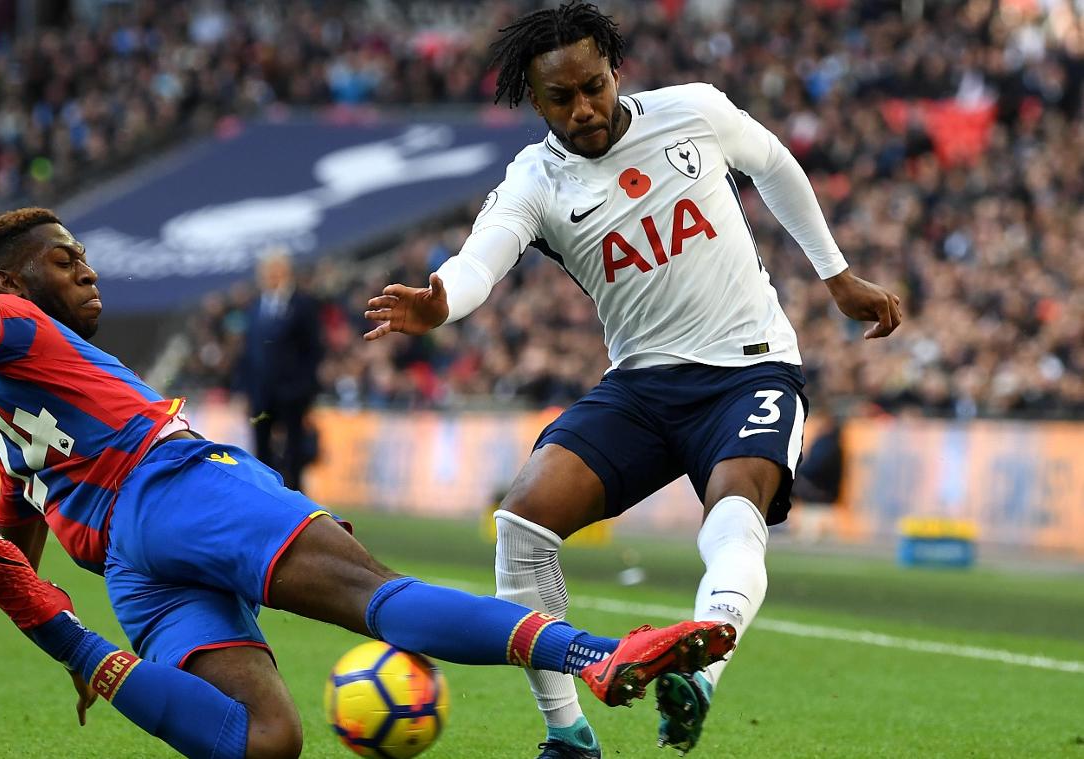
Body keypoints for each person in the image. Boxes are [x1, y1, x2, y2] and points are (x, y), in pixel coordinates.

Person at [0, 85, 737, 759]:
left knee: (262, 741)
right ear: (14, 287)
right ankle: (599, 653)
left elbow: (13, 547)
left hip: (130, 568)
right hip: (175, 486)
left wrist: (32, 594)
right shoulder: (16, 324)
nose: (88, 271)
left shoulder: (0, 402)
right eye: (67, 260)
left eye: (87, 255)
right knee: (379, 596)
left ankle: (68, 640)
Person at [363, 3, 903, 757]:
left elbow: (773, 162)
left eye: (594, 85)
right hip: (644, 386)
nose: (583, 108)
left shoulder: (695, 112)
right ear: (532, 97)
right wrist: (443, 301)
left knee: (735, 505)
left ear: (616, 70)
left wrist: (837, 275)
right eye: (561, 97)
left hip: (750, 369)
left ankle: (700, 674)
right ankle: (568, 735)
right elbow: (482, 258)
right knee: (522, 524)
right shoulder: (537, 180)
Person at [238, 248, 323, 491]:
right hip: (261, 394)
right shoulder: (255, 306)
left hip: (293, 394)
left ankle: (298, 508)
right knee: (261, 452)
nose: (270, 277)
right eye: (266, 272)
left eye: (275, 271)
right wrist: (245, 389)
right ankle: (267, 502)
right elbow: (248, 352)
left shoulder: (303, 304)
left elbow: (314, 350)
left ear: (286, 272)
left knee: (294, 452)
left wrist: (305, 389)